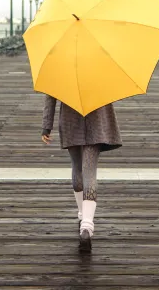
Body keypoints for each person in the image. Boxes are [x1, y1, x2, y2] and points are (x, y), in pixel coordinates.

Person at [41, 94, 122, 252]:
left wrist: (46, 125)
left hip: (70, 120)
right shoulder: (101, 67)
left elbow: (50, 95)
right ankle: (87, 224)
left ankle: (82, 215)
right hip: (97, 118)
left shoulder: (59, 69)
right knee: (90, 171)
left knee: (77, 168)